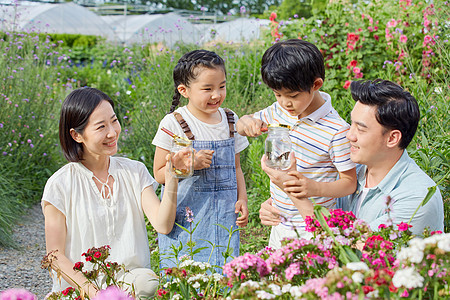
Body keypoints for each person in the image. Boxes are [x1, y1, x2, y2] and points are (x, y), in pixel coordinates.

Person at [42, 87, 180, 299]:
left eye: (114, 121)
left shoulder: (134, 172)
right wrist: (94, 293)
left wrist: (171, 179)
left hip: (128, 285)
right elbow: (54, 256)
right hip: (81, 289)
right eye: (100, 127)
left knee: (148, 282)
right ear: (76, 135)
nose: (112, 132)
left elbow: (162, 225)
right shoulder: (60, 184)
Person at [260, 79, 445, 236]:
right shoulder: (350, 172)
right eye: (351, 124)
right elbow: (319, 207)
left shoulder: (418, 197)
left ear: (392, 138)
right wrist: (278, 207)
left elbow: (348, 245)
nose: (349, 135)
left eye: (361, 129)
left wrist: (291, 190)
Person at [236, 39, 357, 249]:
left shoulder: (336, 131)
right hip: (279, 220)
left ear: (316, 84)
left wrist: (313, 187)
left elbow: (349, 183)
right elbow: (241, 124)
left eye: (292, 96)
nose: (285, 103)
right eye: (277, 94)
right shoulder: (277, 111)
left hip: (312, 224)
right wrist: (246, 122)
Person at [152, 50, 249, 268]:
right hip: (186, 222)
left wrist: (242, 198)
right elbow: (159, 174)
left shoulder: (230, 120)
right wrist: (188, 165)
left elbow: (237, 168)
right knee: (186, 277)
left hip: (225, 218)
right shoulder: (174, 123)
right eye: (207, 89)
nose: (217, 95)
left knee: (224, 274)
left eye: (221, 86)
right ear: (184, 90)